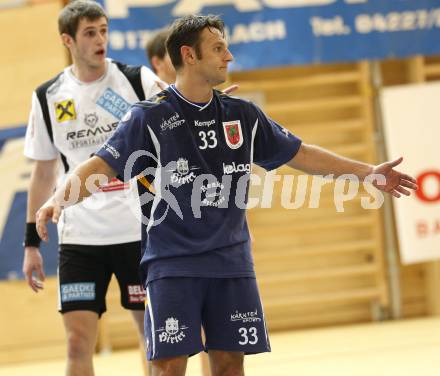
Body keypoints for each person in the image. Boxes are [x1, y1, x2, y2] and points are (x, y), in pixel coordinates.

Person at [35, 14, 418, 376]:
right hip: (172, 265)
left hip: (231, 263)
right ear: (189, 55)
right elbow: (100, 167)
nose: (229, 56)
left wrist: (366, 173)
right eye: (218, 48)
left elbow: (300, 153)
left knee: (231, 367)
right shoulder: (147, 117)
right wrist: (57, 200)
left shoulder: (243, 113)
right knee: (168, 368)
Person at [22, 1, 163, 375]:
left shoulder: (137, 80)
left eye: (103, 30)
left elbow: (179, 116)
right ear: (67, 39)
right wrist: (31, 245)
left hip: (138, 234)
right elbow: (42, 173)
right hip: (80, 238)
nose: (101, 39)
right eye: (90, 33)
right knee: (77, 342)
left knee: (154, 340)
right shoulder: (48, 96)